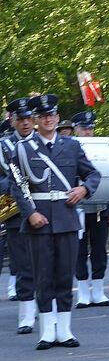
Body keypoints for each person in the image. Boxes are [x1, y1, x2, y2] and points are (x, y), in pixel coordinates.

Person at [10, 94, 100, 350]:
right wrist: (29, 213)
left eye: (52, 115)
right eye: (43, 116)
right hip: (39, 219)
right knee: (43, 276)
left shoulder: (71, 145)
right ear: (36, 120)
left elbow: (92, 173)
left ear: (58, 118)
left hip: (67, 219)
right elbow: (18, 185)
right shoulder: (23, 149)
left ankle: (65, 329)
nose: (48, 119)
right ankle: (47, 331)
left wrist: (84, 190)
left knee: (64, 275)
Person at [71, 110, 109, 309]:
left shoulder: (103, 147)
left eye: (90, 128)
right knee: (78, 252)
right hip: (75, 208)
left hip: (99, 208)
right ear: (76, 129)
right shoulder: (68, 147)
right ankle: (82, 291)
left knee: (99, 250)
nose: (88, 132)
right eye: (84, 128)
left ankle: (98, 290)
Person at [1, 98, 36, 332]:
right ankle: (26, 315)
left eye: (27, 119)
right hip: (16, 213)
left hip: (45, 210)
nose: (24, 123)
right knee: (23, 265)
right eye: (20, 119)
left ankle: (49, 310)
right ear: (12, 120)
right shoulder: (4, 146)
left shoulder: (42, 143)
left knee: (46, 265)